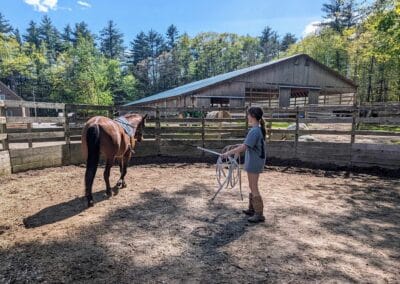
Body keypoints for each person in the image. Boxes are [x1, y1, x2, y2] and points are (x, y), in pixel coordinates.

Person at [221, 107, 266, 223]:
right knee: (252, 185)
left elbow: (244, 147)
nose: (247, 117)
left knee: (254, 186)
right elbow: (246, 144)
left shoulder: (255, 131)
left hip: (255, 161)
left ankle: (259, 213)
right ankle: (253, 209)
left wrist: (228, 153)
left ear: (253, 116)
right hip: (254, 160)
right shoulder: (256, 129)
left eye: (248, 115)